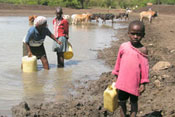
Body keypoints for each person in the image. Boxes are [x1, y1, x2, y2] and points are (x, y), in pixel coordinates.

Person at [112, 20, 149, 117]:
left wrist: (143, 83)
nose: (135, 37)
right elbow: (118, 62)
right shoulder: (123, 46)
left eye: (138, 34)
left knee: (133, 103)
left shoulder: (143, 50)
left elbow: (145, 68)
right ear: (128, 34)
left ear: (143, 35)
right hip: (123, 81)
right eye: (133, 34)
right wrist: (116, 76)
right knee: (122, 102)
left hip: (135, 83)